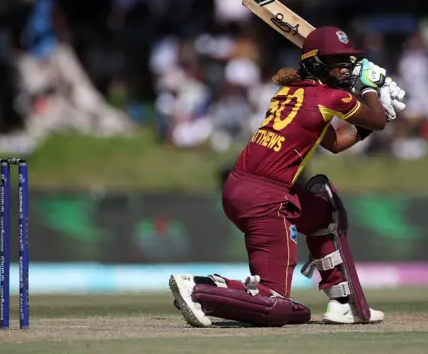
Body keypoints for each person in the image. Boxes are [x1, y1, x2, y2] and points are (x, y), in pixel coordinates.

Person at [169, 27, 405, 327]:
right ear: (317, 63)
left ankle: (342, 303)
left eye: (348, 60)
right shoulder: (329, 97)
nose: (346, 67)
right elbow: (377, 120)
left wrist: (374, 112)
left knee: (324, 213)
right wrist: (372, 88)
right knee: (277, 303)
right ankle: (200, 287)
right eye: (337, 61)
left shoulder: (290, 93)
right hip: (267, 198)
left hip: (244, 186)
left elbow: (334, 144)